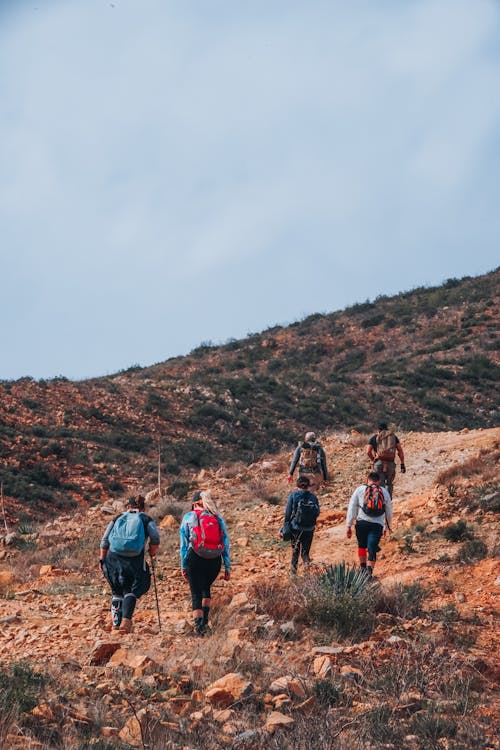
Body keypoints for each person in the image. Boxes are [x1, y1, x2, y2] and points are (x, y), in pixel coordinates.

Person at [100, 495, 160, 633]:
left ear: (128, 507)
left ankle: (116, 623)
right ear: (143, 508)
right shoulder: (145, 519)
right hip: (134, 560)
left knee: (116, 591)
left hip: (113, 558)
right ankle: (126, 622)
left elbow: (105, 540)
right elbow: (155, 537)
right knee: (132, 590)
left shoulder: (118, 518)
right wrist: (152, 551)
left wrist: (102, 559)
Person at [179, 490, 231, 636]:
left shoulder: (189, 517)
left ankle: (199, 627)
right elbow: (226, 543)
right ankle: (205, 622)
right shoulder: (217, 518)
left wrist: (183, 565)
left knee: (195, 592)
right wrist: (227, 566)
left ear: (195, 503)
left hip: (194, 557)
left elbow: (183, 545)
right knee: (206, 588)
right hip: (214, 559)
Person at [346, 471, 392, 577]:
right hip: (377, 524)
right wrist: (387, 527)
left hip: (361, 523)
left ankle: (362, 568)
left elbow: (352, 507)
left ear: (367, 480)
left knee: (361, 546)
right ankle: (369, 572)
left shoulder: (360, 489)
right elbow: (389, 510)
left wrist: (348, 525)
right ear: (379, 481)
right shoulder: (384, 492)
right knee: (372, 547)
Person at [283, 475, 320, 574]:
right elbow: (317, 513)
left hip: (296, 528)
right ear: (308, 486)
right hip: (309, 529)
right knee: (305, 553)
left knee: (295, 552)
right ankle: (307, 574)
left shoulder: (293, 496)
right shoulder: (313, 497)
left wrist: (285, 526)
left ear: (297, 485)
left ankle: (293, 574)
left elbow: (288, 513)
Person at [366, 422, 405, 497]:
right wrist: (402, 464)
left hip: (379, 463)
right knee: (389, 484)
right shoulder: (393, 437)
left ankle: (380, 503)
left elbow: (368, 451)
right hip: (390, 463)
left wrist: (373, 460)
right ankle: (388, 503)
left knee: (379, 485)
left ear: (378, 430)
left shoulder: (374, 437)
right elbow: (400, 451)